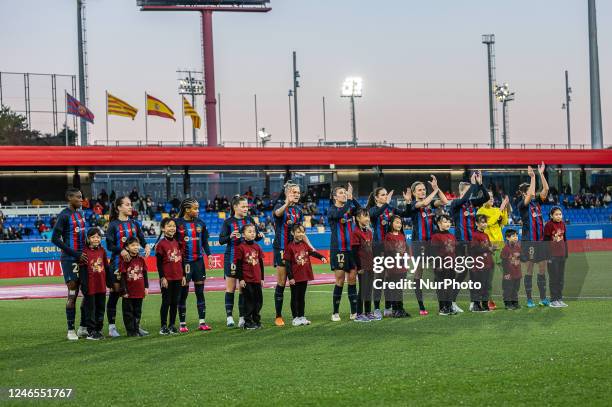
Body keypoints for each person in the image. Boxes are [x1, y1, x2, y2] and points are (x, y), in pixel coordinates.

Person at [105, 196, 150, 337]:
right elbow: (109, 245)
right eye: (127, 205)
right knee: (115, 294)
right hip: (118, 266)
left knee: (135, 297)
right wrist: (121, 250)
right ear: (119, 207)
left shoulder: (134, 224)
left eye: (131, 205)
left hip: (134, 269)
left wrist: (147, 245)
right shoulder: (112, 225)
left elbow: (142, 239)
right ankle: (112, 327)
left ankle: (136, 326)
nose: (130, 207)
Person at [272, 181, 314, 327]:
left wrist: (310, 246)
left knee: (297, 284)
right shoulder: (279, 207)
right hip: (282, 249)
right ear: (287, 193)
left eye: (298, 192)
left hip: (297, 252)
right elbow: (277, 214)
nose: (296, 195)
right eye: (293, 192)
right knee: (282, 282)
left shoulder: (299, 211)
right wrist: (286, 203)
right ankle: (278, 316)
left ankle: (298, 315)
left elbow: (302, 233)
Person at [366, 187, 413, 318]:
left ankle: (388, 307)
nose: (385, 196)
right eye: (382, 195)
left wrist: (408, 202)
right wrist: (387, 203)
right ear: (376, 197)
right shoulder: (373, 210)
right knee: (379, 278)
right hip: (378, 247)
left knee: (389, 279)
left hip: (391, 249)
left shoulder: (390, 208)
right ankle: (376, 308)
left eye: (386, 195)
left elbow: (406, 214)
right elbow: (375, 215)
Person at [219, 195, 263, 328]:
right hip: (232, 258)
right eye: (243, 206)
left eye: (247, 206)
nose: (246, 209)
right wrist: (229, 236)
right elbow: (221, 240)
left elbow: (255, 236)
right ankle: (229, 317)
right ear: (235, 207)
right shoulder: (228, 222)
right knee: (231, 288)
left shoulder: (249, 219)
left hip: (248, 261)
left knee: (243, 289)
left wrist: (259, 236)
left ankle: (243, 317)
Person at [51, 187, 88, 341]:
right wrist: (75, 254)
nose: (81, 199)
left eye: (81, 197)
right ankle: (70, 330)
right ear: (69, 198)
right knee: (72, 293)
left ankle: (83, 327)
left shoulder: (80, 214)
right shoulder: (64, 216)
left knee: (88, 292)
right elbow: (55, 238)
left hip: (83, 258)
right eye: (78, 197)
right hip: (70, 259)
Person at [448, 171, 488, 313]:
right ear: (461, 191)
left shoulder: (471, 203)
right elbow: (464, 198)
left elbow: (486, 197)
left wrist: (480, 184)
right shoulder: (455, 204)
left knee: (474, 274)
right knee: (462, 273)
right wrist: (472, 185)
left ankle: (474, 303)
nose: (470, 193)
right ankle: (451, 302)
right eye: (467, 190)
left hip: (472, 244)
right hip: (461, 244)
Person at [410, 175, 449, 315]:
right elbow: (424, 203)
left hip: (432, 244)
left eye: (423, 190)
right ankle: (421, 306)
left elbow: (445, 201)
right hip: (419, 244)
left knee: (438, 272)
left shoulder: (429, 205)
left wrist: (436, 189)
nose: (422, 192)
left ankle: (442, 306)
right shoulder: (412, 206)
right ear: (414, 193)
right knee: (418, 274)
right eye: (419, 190)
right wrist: (433, 192)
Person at [175, 198, 213, 332]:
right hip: (184, 263)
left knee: (200, 292)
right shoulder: (177, 223)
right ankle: (182, 324)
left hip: (198, 263)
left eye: (197, 208)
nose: (197, 211)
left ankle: (202, 322)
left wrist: (209, 255)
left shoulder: (201, 223)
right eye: (195, 208)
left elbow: (204, 242)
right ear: (186, 210)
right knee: (183, 293)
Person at [517, 162, 550, 308]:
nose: (533, 192)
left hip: (541, 242)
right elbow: (530, 193)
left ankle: (543, 298)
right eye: (529, 191)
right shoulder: (521, 205)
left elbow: (546, 189)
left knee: (542, 269)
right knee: (529, 269)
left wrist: (541, 174)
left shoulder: (537, 202)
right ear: (524, 193)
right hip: (529, 241)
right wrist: (532, 177)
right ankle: (529, 299)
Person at [328, 183, 361, 321]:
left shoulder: (349, 208)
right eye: (341, 193)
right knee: (340, 280)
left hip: (351, 250)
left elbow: (360, 209)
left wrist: (352, 198)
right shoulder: (332, 210)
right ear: (335, 196)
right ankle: (335, 312)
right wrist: (348, 201)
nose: (343, 194)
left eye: (344, 192)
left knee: (352, 279)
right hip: (338, 250)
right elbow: (339, 214)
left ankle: (354, 312)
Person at [284, 224, 327, 326]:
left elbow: (312, 252)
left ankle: (302, 316)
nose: (300, 234)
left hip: (304, 275)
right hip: (295, 277)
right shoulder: (289, 247)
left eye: (302, 232)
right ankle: (295, 318)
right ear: (292, 233)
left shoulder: (304, 244)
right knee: (294, 297)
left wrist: (321, 257)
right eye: (298, 232)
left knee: (302, 297)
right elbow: (287, 264)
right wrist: (291, 277)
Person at [477, 191, 511, 310]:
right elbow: (488, 222)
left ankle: (508, 299)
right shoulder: (480, 211)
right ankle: (488, 300)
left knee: (506, 273)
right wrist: (500, 208)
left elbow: (504, 222)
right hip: (488, 247)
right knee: (488, 276)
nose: (491, 199)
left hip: (500, 245)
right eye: (488, 197)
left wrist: (505, 209)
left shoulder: (495, 209)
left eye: (492, 197)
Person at [155, 218, 186, 335]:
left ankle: (172, 325)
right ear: (163, 228)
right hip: (167, 279)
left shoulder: (177, 243)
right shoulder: (161, 244)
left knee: (175, 302)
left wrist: (183, 275)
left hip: (178, 277)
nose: (172, 228)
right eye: (169, 226)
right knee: (166, 302)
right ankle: (163, 326)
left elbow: (181, 260)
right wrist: (162, 278)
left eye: (174, 226)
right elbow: (158, 263)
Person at [235, 224, 265, 330]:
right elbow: (238, 265)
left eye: (253, 231)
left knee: (258, 300)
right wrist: (241, 279)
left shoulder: (257, 246)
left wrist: (262, 278)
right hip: (247, 279)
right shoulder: (240, 247)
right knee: (249, 301)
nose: (252, 233)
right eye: (249, 231)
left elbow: (261, 263)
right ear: (243, 234)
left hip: (257, 279)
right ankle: (247, 322)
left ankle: (256, 320)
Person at [80, 228, 108, 340]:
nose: (96, 239)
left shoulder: (102, 251)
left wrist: (109, 282)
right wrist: (84, 285)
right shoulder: (84, 252)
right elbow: (82, 271)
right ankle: (91, 331)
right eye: (93, 237)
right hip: (90, 287)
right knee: (90, 309)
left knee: (101, 308)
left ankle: (99, 330)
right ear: (88, 239)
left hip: (101, 286)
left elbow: (106, 267)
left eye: (98, 237)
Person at [351, 208, 377, 321]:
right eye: (364, 216)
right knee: (362, 289)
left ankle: (368, 312)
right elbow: (354, 252)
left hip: (370, 265)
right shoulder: (356, 232)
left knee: (369, 289)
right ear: (357, 218)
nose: (367, 218)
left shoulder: (370, 232)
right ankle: (359, 314)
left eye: (368, 216)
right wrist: (359, 267)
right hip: (362, 266)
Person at [119, 237, 149, 337]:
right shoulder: (124, 260)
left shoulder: (141, 259)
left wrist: (146, 287)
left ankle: (136, 329)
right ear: (127, 247)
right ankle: (131, 331)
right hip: (129, 292)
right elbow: (122, 276)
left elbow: (144, 273)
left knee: (138, 311)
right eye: (132, 245)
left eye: (137, 245)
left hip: (139, 291)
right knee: (128, 312)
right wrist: (124, 290)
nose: (136, 247)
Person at [384, 215, 410, 317]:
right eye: (397, 222)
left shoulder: (402, 236)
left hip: (402, 267)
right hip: (393, 267)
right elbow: (389, 252)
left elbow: (405, 249)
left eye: (400, 223)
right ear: (391, 223)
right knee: (395, 289)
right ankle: (395, 309)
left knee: (400, 289)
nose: (399, 224)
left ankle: (400, 308)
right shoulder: (388, 236)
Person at [430, 214, 457, 316]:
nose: (448, 223)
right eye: (445, 221)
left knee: (449, 287)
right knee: (441, 287)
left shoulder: (451, 236)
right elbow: (434, 253)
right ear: (439, 223)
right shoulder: (436, 236)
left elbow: (454, 252)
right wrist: (438, 265)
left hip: (451, 266)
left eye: (449, 221)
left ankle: (449, 306)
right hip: (441, 266)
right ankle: (442, 308)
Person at [544, 207, 569, 308]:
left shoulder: (563, 224)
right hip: (552, 256)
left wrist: (566, 252)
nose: (559, 216)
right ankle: (553, 300)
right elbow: (545, 240)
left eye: (560, 214)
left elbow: (565, 238)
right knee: (554, 278)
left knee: (560, 278)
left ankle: (559, 299)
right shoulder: (549, 225)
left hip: (561, 255)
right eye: (556, 214)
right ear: (551, 215)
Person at [469, 215, 494, 312]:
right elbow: (474, 249)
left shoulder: (486, 235)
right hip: (479, 265)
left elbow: (489, 248)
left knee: (486, 285)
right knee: (479, 285)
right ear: (476, 223)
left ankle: (484, 304)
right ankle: (476, 305)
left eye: (485, 222)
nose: (484, 224)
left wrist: (492, 249)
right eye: (482, 222)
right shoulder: (475, 235)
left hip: (487, 263)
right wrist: (488, 248)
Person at [501, 229, 522, 310]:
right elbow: (503, 261)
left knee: (516, 289)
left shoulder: (518, 246)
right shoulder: (505, 249)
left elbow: (521, 257)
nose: (516, 237)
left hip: (517, 273)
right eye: (513, 236)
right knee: (508, 289)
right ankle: (508, 304)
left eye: (516, 236)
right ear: (507, 238)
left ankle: (515, 302)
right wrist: (506, 273)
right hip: (509, 274)